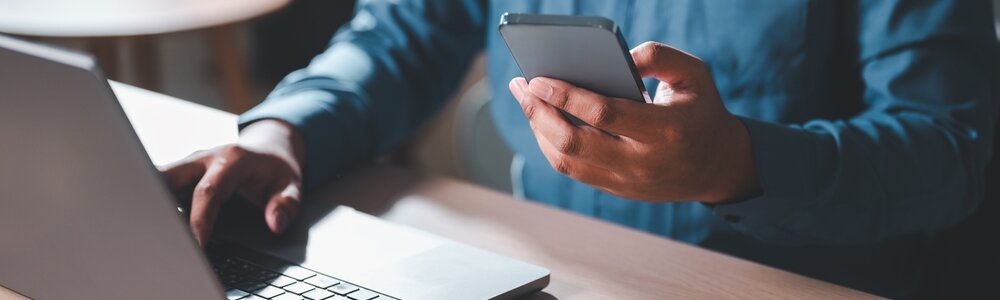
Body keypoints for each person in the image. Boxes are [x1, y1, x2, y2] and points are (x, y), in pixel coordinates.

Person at [160, 0, 999, 297]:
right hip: (556, 283)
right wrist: (284, 131)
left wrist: (733, 165)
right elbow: (402, 33)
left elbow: (949, 150)